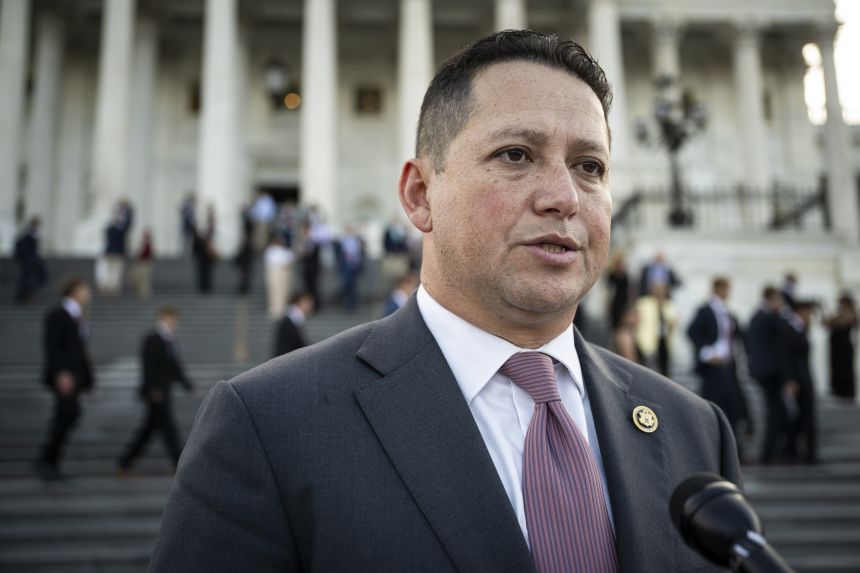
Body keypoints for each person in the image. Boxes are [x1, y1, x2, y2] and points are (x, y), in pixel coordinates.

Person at [150, 31, 739, 572]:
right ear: (419, 193)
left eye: (590, 167)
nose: (563, 196)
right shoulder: (267, 427)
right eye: (516, 154)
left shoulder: (694, 430)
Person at [116, 306, 195, 476]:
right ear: (163, 317)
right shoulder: (152, 339)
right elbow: (148, 366)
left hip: (163, 391)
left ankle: (125, 463)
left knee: (150, 430)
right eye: (172, 318)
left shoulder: (170, 340)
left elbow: (175, 367)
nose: (175, 323)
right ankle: (179, 464)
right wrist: (153, 389)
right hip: (156, 393)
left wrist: (188, 385)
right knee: (168, 429)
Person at [35, 277, 95, 481]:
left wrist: (90, 382)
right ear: (74, 290)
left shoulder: (79, 316)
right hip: (65, 377)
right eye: (85, 288)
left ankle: (47, 461)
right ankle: (47, 461)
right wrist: (61, 374)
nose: (88, 293)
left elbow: (81, 352)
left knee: (66, 416)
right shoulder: (58, 314)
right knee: (67, 414)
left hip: (75, 377)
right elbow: (52, 347)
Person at [687, 277, 750, 458]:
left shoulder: (727, 311)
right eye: (726, 289)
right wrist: (707, 353)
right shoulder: (705, 310)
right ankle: (713, 447)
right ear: (718, 289)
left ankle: (734, 447)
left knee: (732, 404)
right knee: (715, 405)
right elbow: (692, 331)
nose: (728, 293)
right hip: (713, 368)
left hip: (729, 365)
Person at [746, 286, 791, 464]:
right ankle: (770, 452)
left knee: (778, 412)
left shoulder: (757, 316)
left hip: (764, 372)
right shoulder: (769, 317)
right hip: (770, 373)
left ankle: (773, 450)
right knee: (776, 413)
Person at [782, 300, 818, 464]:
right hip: (798, 380)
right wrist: (790, 380)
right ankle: (800, 451)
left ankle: (802, 451)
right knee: (804, 416)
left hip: (805, 379)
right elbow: (787, 358)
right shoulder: (790, 330)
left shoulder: (800, 328)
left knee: (805, 417)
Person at [635, 282, 677, 376]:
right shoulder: (644, 303)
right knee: (648, 368)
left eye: (662, 290)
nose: (660, 293)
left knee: (664, 368)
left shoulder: (668, 304)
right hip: (647, 341)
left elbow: (674, 321)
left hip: (664, 340)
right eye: (657, 290)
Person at [822, 293, 857, 401]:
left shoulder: (850, 314)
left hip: (844, 348)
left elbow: (839, 323)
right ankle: (837, 389)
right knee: (836, 368)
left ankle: (846, 392)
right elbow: (826, 323)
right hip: (836, 347)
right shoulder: (839, 314)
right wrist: (824, 310)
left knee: (845, 370)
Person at [13, 216, 47, 303]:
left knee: (33, 278)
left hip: (30, 262)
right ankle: (24, 296)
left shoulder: (31, 234)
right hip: (28, 262)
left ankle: (27, 295)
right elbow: (26, 249)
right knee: (28, 279)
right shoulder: (29, 235)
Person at [273, 291, 315, 357]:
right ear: (299, 303)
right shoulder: (290, 321)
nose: (310, 306)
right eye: (307, 302)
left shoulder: (293, 319)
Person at [264, 234, 295, 319]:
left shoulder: (286, 251)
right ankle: (275, 309)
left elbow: (291, 261)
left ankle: (283, 309)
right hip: (274, 272)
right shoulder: (271, 250)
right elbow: (270, 262)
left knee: (284, 291)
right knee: (274, 291)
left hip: (284, 273)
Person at [335, 225, 365, 312]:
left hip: (354, 266)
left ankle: (352, 303)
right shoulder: (342, 241)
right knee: (348, 284)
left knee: (353, 285)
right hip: (346, 266)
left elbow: (360, 253)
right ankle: (348, 303)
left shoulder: (357, 241)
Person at [605, 250, 631, 332]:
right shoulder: (612, 275)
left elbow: (628, 289)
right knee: (614, 323)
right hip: (615, 300)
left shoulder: (625, 275)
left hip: (623, 300)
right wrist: (607, 303)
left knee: (622, 322)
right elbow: (609, 290)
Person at [128, 229, 155, 299]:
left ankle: (144, 293)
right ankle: (140, 291)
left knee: (144, 279)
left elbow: (150, 254)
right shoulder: (142, 244)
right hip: (140, 262)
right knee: (137, 277)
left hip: (145, 263)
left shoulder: (148, 244)